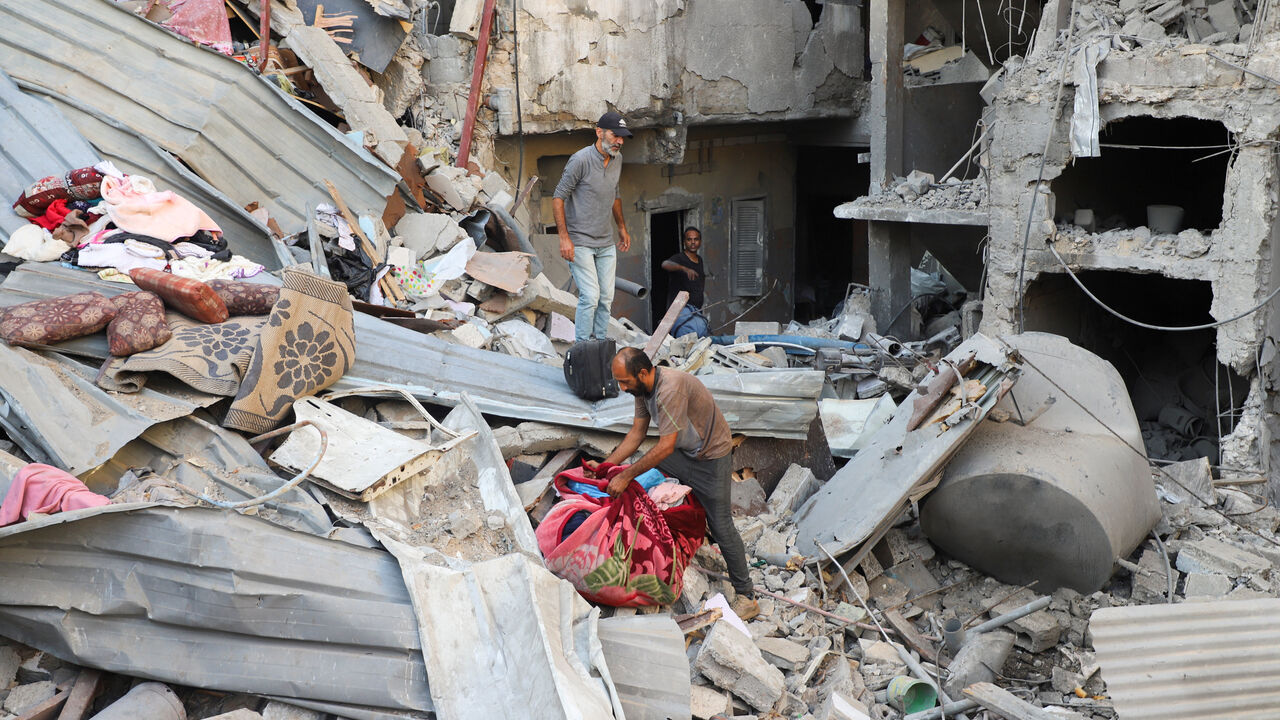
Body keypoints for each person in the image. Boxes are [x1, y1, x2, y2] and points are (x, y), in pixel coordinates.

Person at [587, 347, 759, 620]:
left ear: (643, 373)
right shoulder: (642, 389)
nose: (622, 388)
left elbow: (665, 446)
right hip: (683, 451)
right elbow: (637, 433)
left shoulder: (670, 389)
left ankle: (747, 596)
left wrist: (625, 475)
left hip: (711, 456)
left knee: (721, 526)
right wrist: (606, 467)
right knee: (641, 484)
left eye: (624, 382)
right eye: (619, 382)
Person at [553, 111, 633, 343]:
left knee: (606, 298)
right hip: (580, 242)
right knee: (590, 297)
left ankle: (599, 345)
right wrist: (564, 238)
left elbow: (615, 194)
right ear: (599, 133)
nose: (619, 141)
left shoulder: (618, 159)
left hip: (605, 242)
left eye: (622, 137)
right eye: (615, 135)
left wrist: (621, 227)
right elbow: (558, 197)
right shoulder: (580, 160)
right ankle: (582, 347)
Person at [660, 225, 709, 337]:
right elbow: (665, 264)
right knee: (684, 340)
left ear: (700, 242)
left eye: (696, 239)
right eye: (689, 239)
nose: (693, 242)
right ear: (684, 242)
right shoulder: (679, 258)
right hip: (681, 312)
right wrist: (683, 268)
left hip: (695, 311)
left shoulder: (699, 259)